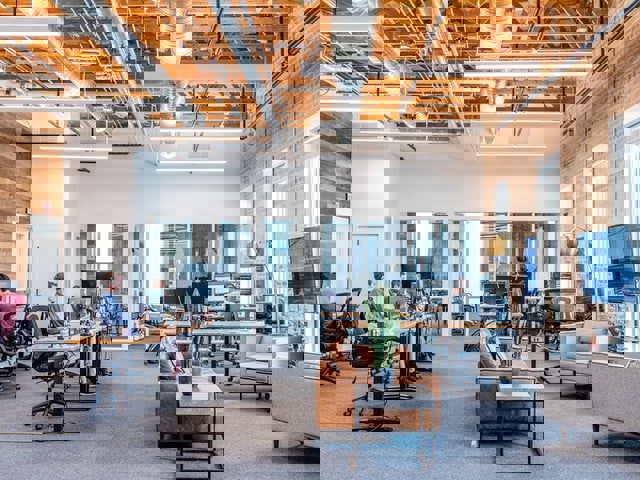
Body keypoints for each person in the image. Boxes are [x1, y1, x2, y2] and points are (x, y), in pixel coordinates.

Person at [363, 272, 399, 391]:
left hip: (386, 330)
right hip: (382, 330)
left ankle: (383, 386)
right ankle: (381, 387)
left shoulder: (384, 292)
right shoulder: (377, 293)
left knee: (386, 358)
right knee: (383, 359)